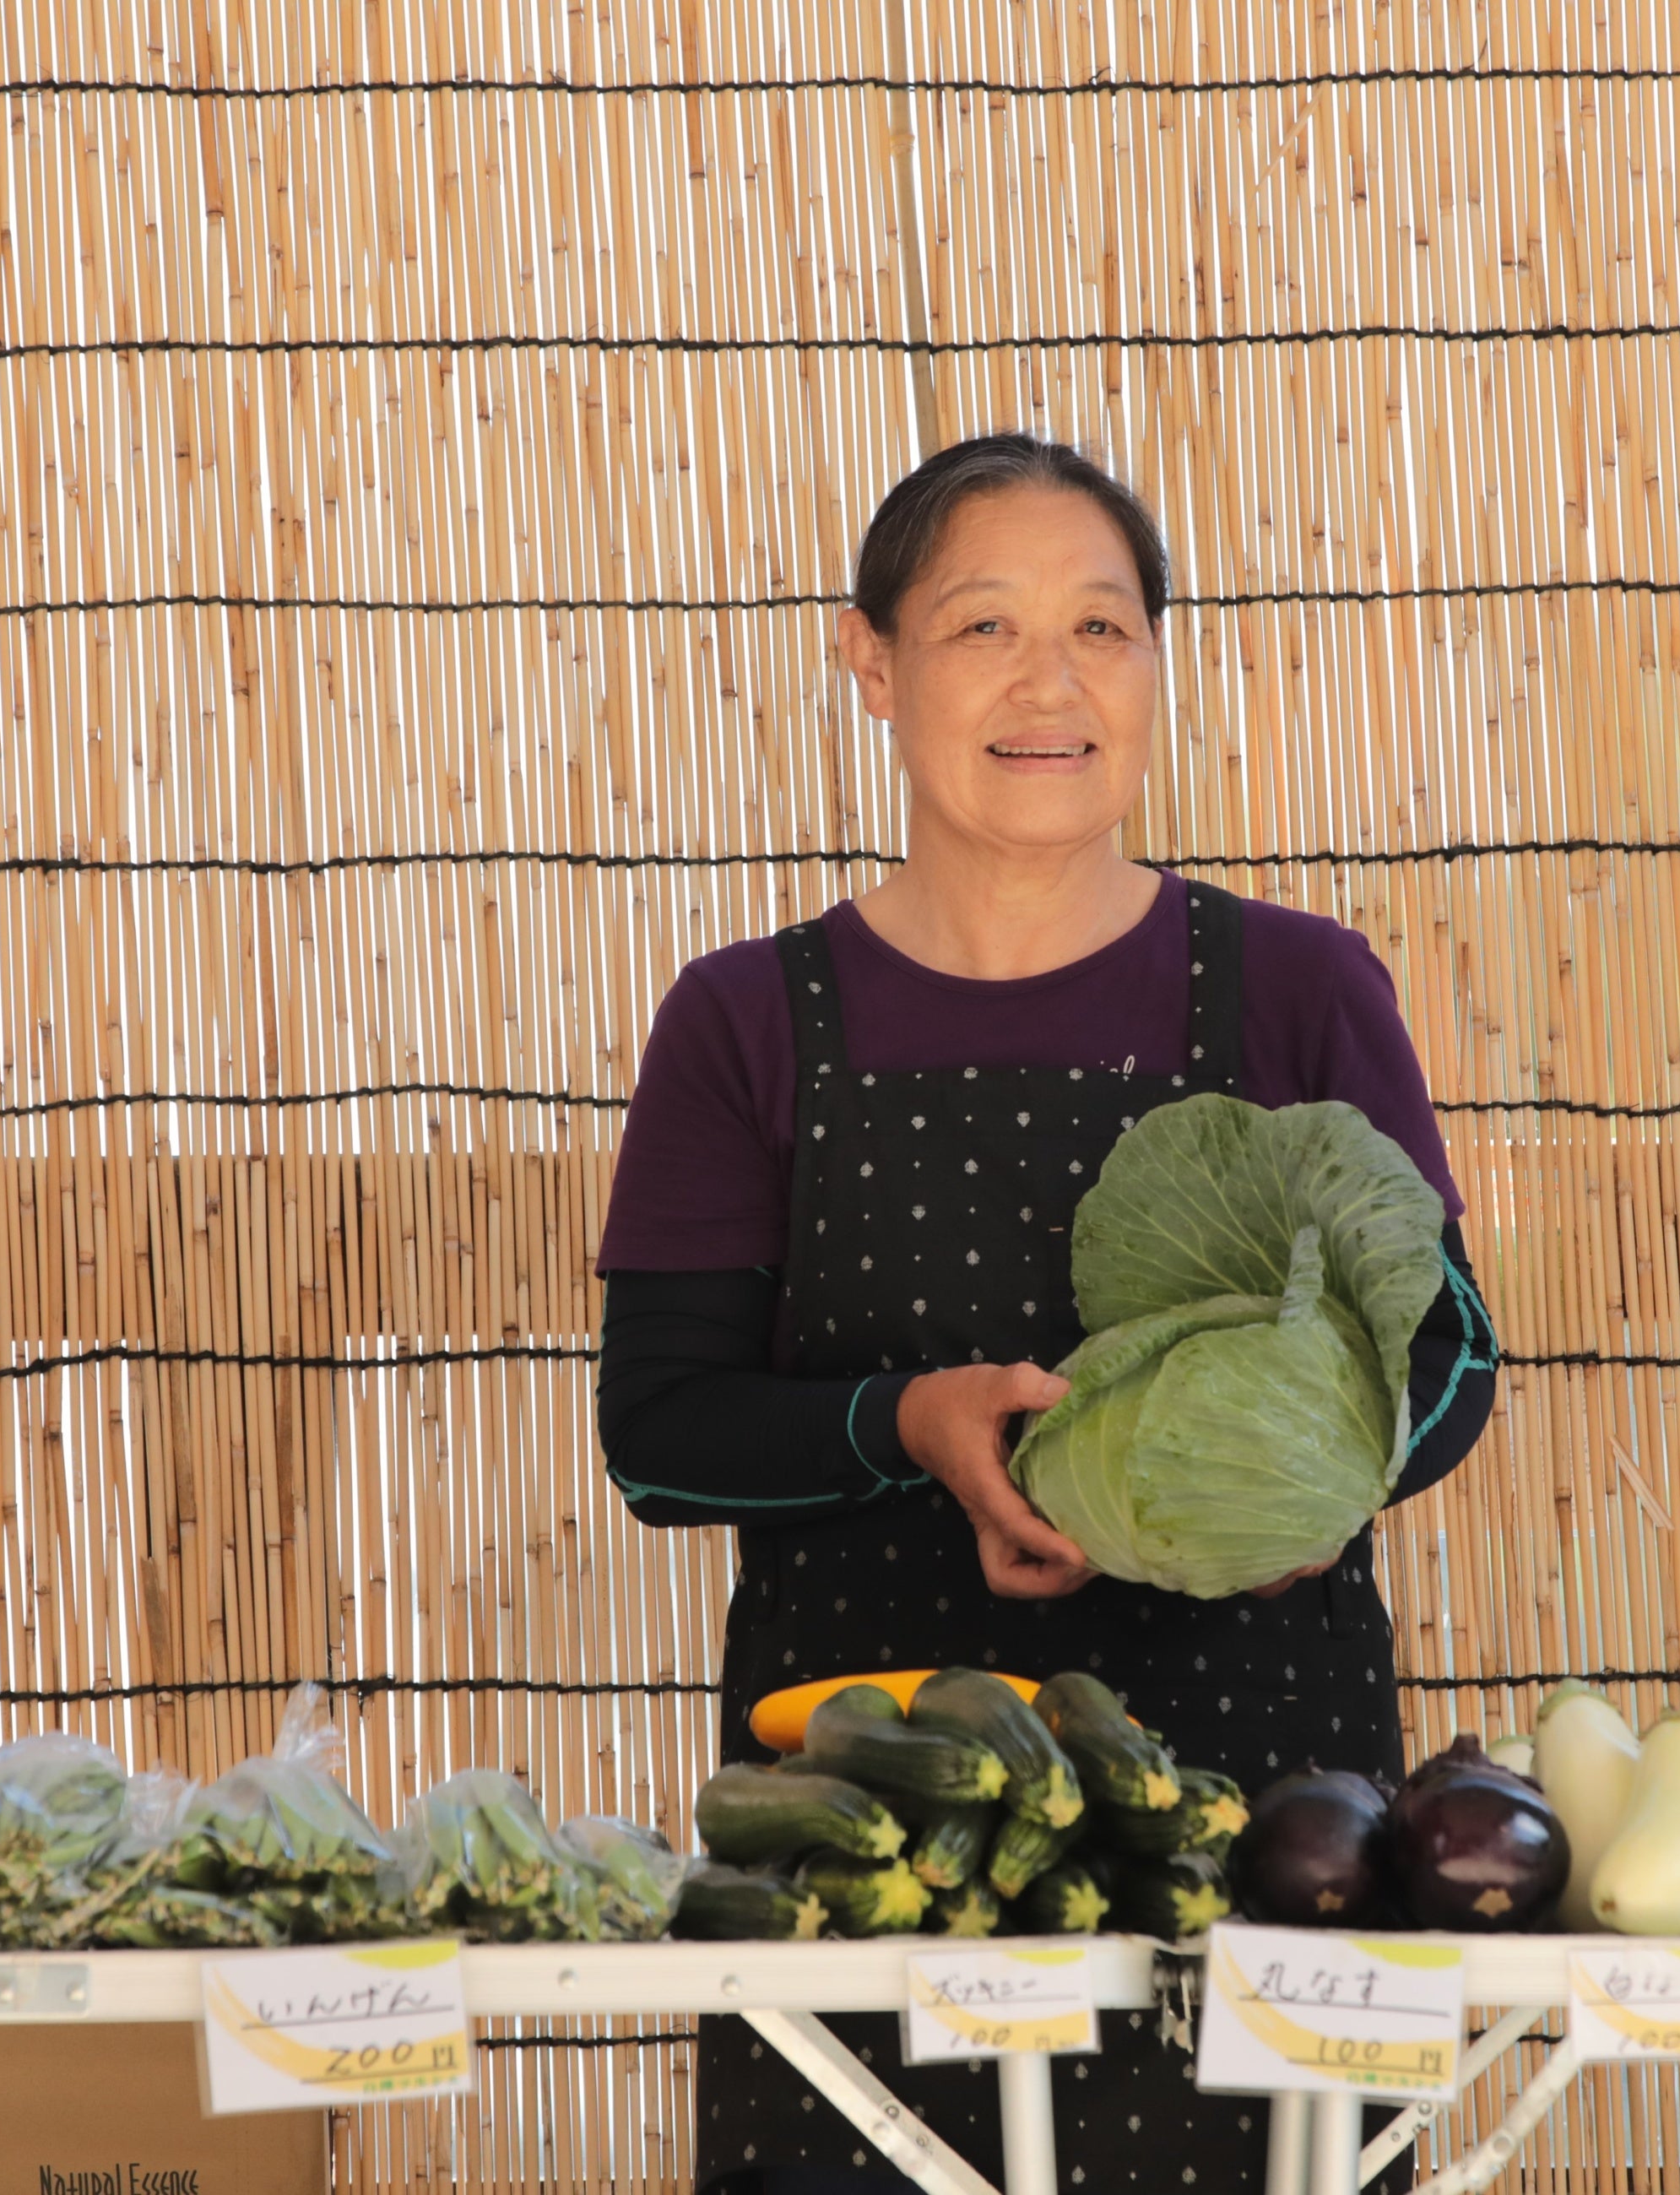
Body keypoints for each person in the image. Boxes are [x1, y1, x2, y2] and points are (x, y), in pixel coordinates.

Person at [594, 431, 1497, 2192]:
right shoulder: (744, 1022)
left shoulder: (1302, 988)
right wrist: (906, 1424)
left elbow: (1446, 1358)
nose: (1050, 682)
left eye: (1102, 628)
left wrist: (1316, 1493)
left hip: (1267, 1817)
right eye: (983, 627)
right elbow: (661, 1426)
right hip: (877, 1839)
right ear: (870, 662)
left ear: (1157, 663)